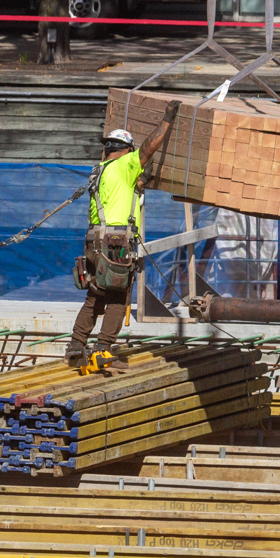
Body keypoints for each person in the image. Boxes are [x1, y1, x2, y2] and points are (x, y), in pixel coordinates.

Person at [65, 102, 180, 368]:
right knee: (118, 297)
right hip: (115, 243)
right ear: (125, 151)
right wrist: (166, 120)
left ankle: (75, 346)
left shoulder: (101, 171)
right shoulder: (122, 165)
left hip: (96, 240)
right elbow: (149, 148)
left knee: (95, 295)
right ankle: (103, 350)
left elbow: (137, 185)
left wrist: (144, 179)